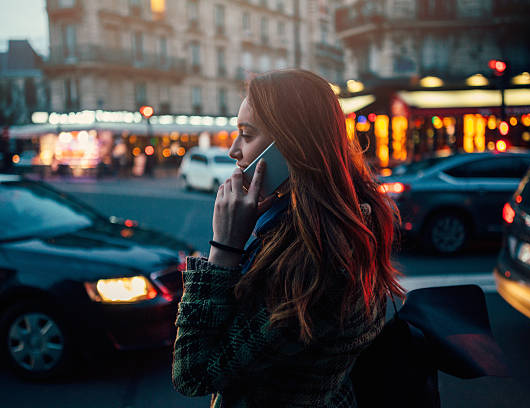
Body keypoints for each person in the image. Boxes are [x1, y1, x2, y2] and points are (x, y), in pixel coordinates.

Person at [172, 69, 404, 407]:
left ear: (289, 147)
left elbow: (193, 373)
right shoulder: (322, 224)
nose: (233, 150)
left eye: (246, 134)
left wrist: (224, 248)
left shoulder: (319, 263)